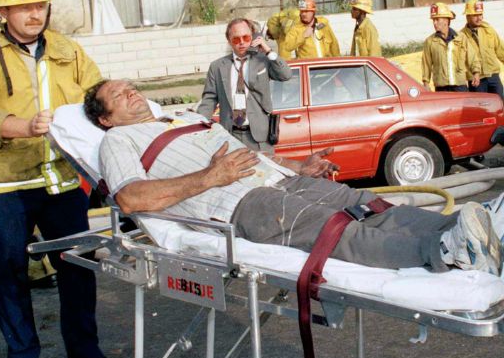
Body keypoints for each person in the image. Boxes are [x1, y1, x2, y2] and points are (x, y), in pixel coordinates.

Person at [84, 78, 502, 275]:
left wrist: (299, 167)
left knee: (371, 207)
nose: (132, 92)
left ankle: (478, 227)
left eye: (131, 86)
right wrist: (210, 178)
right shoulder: (118, 141)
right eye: (119, 95)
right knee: (336, 229)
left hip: (278, 181)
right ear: (105, 118)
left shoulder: (185, 119)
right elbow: (130, 200)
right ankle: (447, 250)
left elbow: (249, 154)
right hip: (241, 205)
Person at [0, 0, 118, 358]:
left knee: (78, 268)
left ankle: (86, 355)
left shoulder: (69, 50)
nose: (35, 16)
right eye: (23, 8)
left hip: (62, 182)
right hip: (3, 185)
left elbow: (96, 97)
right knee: (11, 272)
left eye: (41, 6)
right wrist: (23, 126)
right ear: (2, 12)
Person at [197, 18, 291, 153]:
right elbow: (209, 99)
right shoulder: (217, 66)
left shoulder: (262, 61)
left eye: (246, 38)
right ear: (229, 41)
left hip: (260, 137)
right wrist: (198, 124)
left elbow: (285, 75)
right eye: (236, 39)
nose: (241, 43)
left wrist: (268, 51)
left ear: (252, 37)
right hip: (230, 136)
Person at [422, 2, 476, 92]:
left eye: (437, 19)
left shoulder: (461, 38)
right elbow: (426, 64)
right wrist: (426, 83)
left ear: (446, 20)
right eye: (433, 20)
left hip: (460, 86)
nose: (434, 23)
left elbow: (472, 57)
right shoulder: (430, 41)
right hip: (441, 88)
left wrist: (476, 73)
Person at [457, 0, 504, 97]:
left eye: (480, 14)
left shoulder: (489, 30)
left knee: (500, 106)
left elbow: (500, 50)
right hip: (476, 81)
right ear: (467, 16)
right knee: (481, 110)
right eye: (475, 15)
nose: (479, 18)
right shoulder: (461, 36)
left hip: (493, 77)